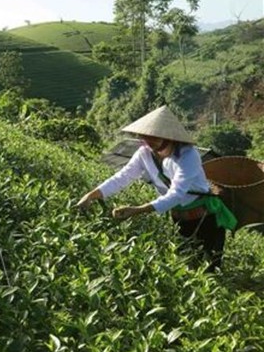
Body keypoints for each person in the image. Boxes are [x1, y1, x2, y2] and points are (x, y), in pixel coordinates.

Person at [76, 105, 237, 272]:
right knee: (185, 265)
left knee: (209, 268)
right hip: (179, 217)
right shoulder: (144, 153)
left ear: (168, 137)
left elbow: (176, 193)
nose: (148, 142)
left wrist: (137, 210)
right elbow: (122, 177)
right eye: (144, 137)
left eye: (153, 137)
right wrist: (91, 195)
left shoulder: (188, 155)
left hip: (205, 218)